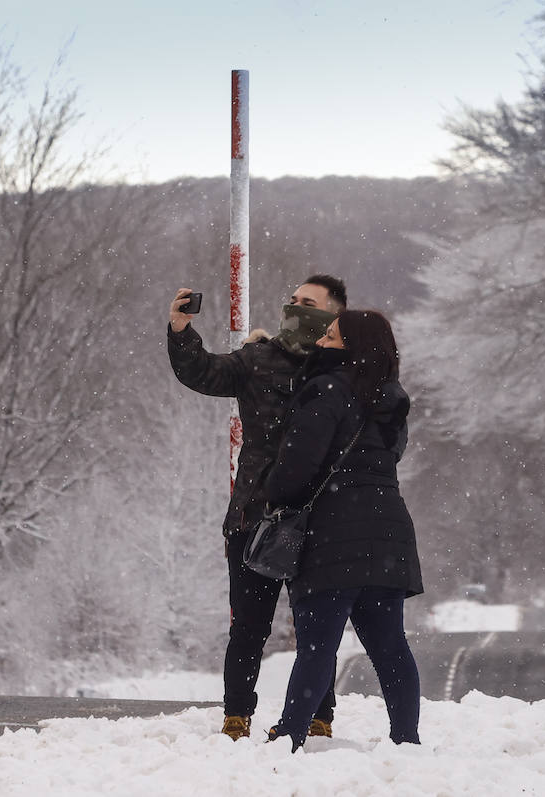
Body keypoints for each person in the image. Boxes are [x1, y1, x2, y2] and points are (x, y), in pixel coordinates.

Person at [166, 275, 349, 741]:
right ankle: (235, 717)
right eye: (293, 299)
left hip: (322, 517)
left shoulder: (343, 368)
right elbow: (203, 373)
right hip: (255, 513)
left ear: (334, 314)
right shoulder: (260, 358)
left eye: (308, 303)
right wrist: (182, 331)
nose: (295, 307)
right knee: (249, 627)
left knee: (316, 630)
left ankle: (318, 716)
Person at [260, 310, 424, 750]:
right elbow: (393, 455)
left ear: (350, 346)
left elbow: (297, 465)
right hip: (389, 532)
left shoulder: (327, 391)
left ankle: (290, 733)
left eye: (330, 336)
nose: (321, 341)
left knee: (317, 645)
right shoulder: (393, 398)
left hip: (333, 533)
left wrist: (274, 495)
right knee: (390, 646)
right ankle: (406, 739)